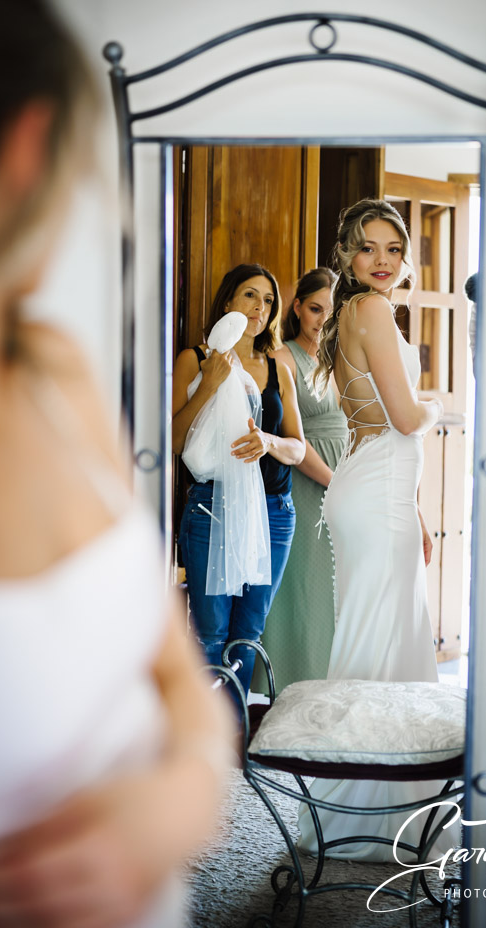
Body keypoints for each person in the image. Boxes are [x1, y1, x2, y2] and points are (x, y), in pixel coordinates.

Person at [0, 0, 234, 926]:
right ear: (30, 146)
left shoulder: (54, 371)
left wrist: (184, 798)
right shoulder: (192, 354)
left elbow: (176, 672)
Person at [297, 198, 449, 863]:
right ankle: (364, 811)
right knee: (376, 644)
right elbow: (407, 419)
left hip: (377, 489)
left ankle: (372, 801)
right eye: (368, 248)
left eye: (393, 248)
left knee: (381, 637)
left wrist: (414, 509)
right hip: (374, 493)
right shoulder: (373, 309)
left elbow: (375, 432)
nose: (382, 261)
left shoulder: (354, 312)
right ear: (348, 256)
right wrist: (440, 404)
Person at [172, 264, 305, 700]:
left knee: (249, 630)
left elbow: (298, 449)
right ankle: (205, 741)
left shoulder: (277, 366)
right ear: (227, 301)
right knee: (210, 631)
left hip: (274, 513)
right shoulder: (196, 358)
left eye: (268, 301)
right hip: (213, 508)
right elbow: (172, 441)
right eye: (250, 296)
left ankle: (235, 735)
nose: (259, 308)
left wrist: (268, 440)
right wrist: (209, 386)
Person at [254, 268, 348, 692]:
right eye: (314, 309)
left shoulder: (344, 358)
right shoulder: (283, 359)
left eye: (331, 312)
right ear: (296, 308)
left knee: (339, 591)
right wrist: (336, 484)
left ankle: (334, 689)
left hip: (349, 479)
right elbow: (293, 439)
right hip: (308, 484)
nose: (322, 320)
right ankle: (293, 688)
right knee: (305, 590)